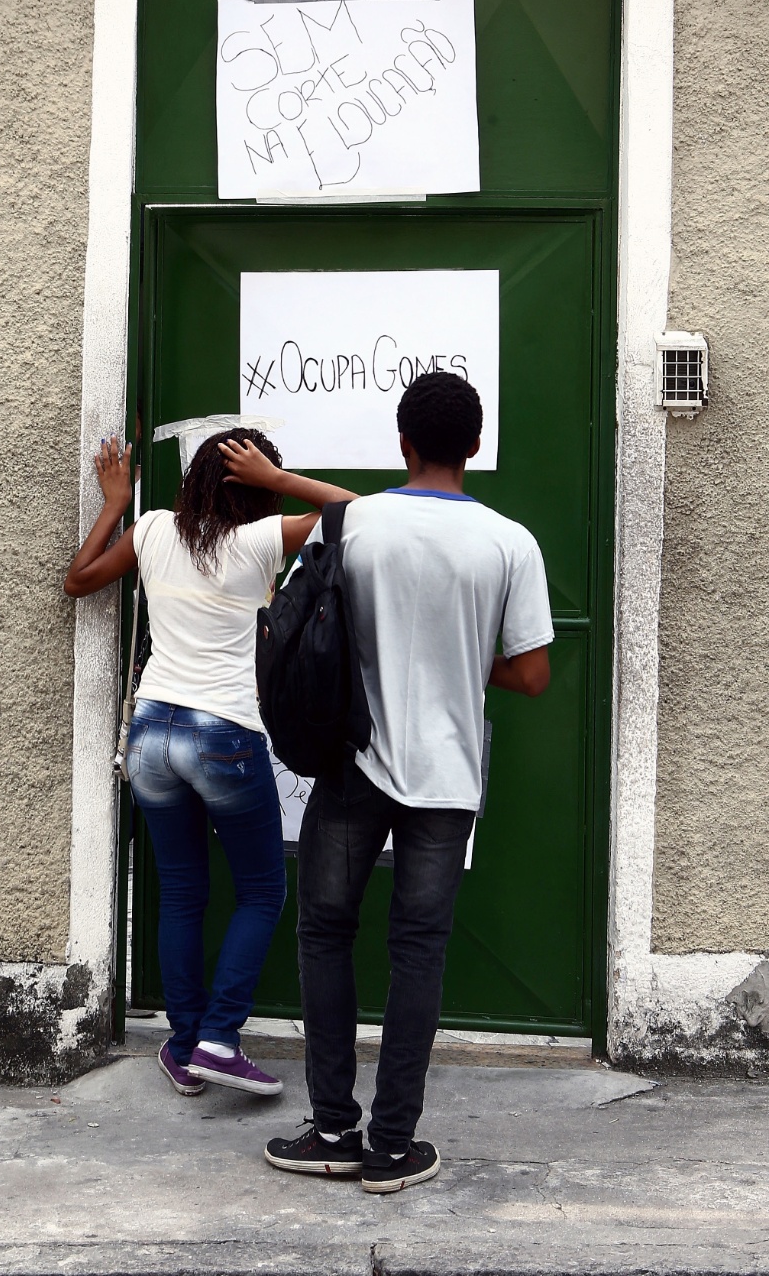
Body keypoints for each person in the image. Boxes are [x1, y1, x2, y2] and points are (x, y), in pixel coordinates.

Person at [260, 371, 553, 1193]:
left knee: (325, 934)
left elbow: (295, 628)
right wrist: (460, 656)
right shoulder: (509, 542)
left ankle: (331, 1130)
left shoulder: (349, 525)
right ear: (475, 446)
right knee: (418, 952)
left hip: (353, 765)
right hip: (447, 779)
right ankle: (391, 1147)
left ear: (402, 443)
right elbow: (532, 675)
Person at [64, 428, 352, 1098]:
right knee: (262, 891)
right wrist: (278, 481)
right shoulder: (261, 539)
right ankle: (219, 1040)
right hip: (222, 733)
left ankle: (183, 1042)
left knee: (182, 891)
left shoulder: (152, 530)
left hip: (150, 734)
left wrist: (116, 504)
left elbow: (78, 581)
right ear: (254, 486)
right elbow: (354, 511)